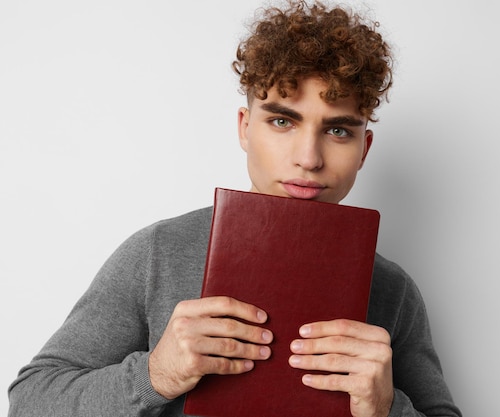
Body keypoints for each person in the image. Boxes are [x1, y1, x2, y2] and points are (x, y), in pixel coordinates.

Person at [8, 1, 462, 416]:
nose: (309, 158)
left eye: (338, 130)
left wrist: (387, 409)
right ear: (246, 129)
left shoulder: (392, 289)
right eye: (282, 121)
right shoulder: (158, 253)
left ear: (364, 149)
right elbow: (29, 400)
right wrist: (156, 375)